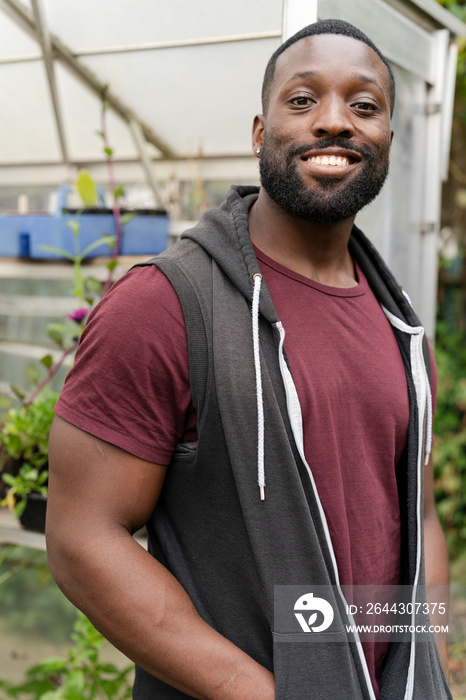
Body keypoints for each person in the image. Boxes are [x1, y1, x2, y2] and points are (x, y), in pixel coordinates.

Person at [46, 19, 451, 700]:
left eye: (364, 105)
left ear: (386, 138)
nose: (334, 122)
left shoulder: (401, 327)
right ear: (260, 132)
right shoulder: (166, 304)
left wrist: (426, 658)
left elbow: (419, 515)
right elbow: (83, 538)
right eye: (303, 100)